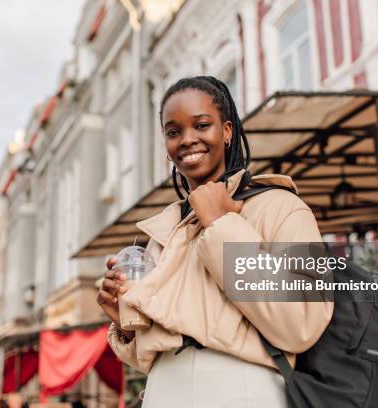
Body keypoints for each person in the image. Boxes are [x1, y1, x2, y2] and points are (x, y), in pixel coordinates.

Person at [97, 76, 333, 407]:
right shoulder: (164, 231)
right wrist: (125, 323)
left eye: (201, 125)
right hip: (164, 390)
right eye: (173, 132)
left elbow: (301, 324)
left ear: (226, 131)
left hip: (244, 391)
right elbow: (156, 349)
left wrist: (221, 225)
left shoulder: (281, 207)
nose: (187, 140)